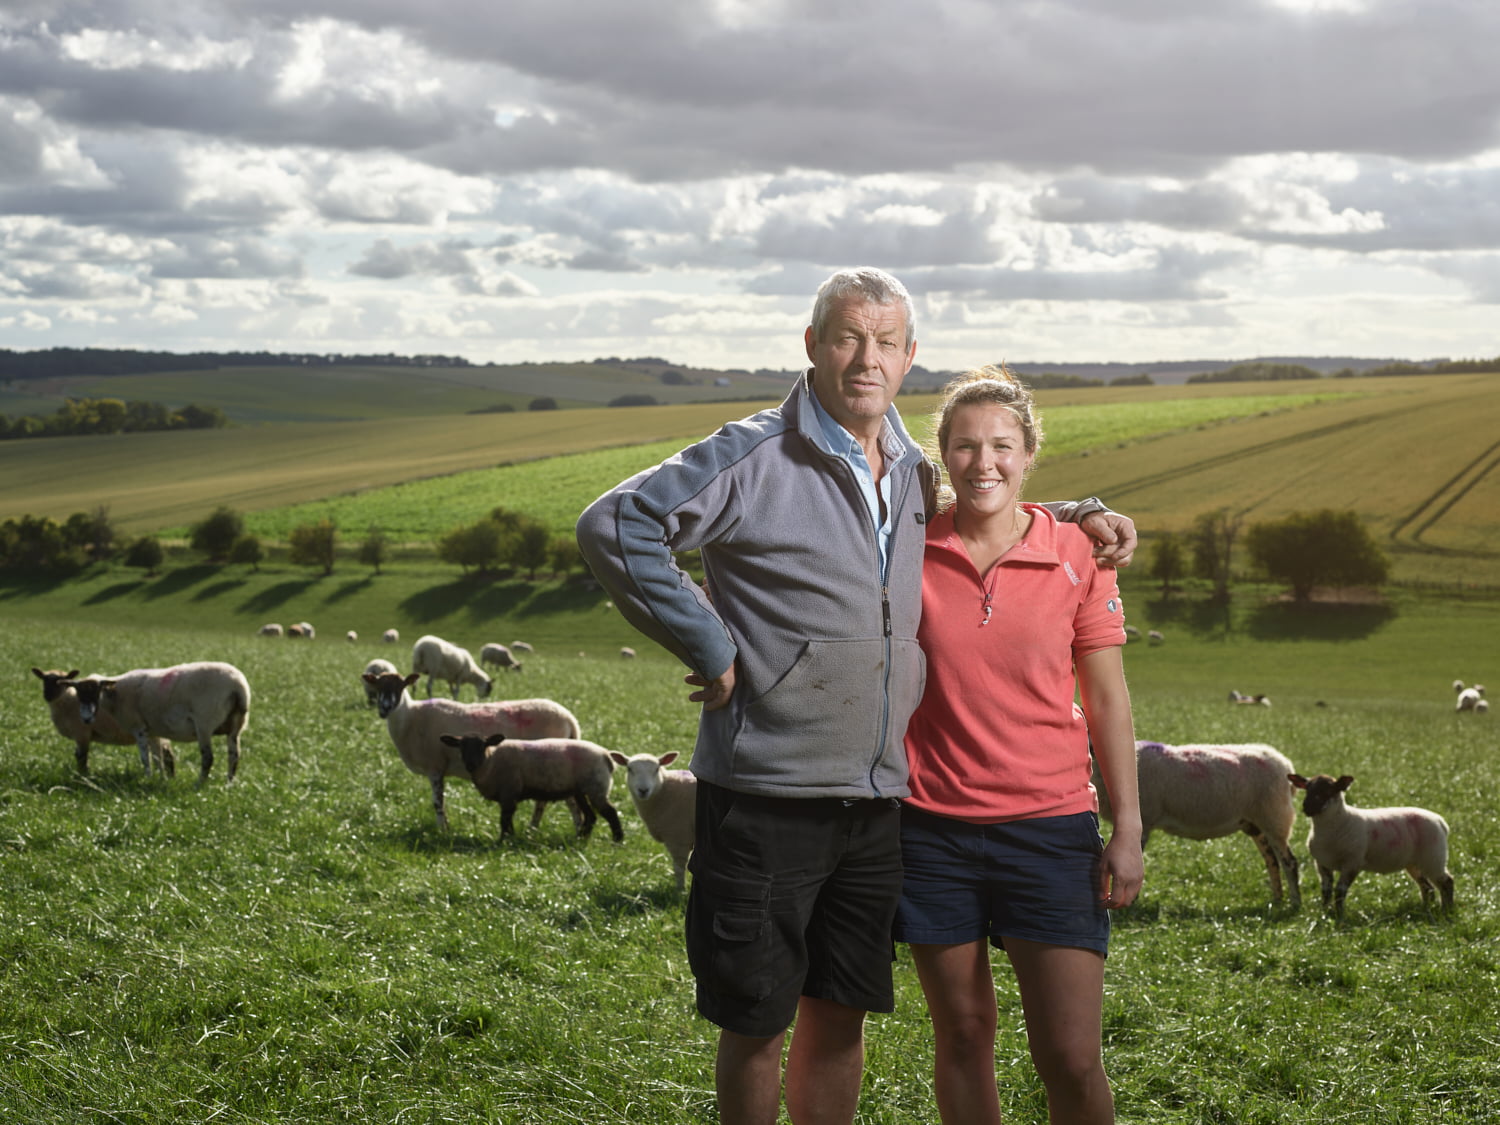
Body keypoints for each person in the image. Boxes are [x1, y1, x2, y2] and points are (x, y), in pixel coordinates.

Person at [575, 267, 1136, 1125]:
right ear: (813, 346)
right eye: (846, 337)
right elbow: (617, 522)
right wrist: (710, 643)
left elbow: (987, 502)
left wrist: (1084, 511)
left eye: (884, 342)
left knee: (837, 1020)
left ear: (909, 357)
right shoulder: (757, 452)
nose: (864, 358)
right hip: (767, 793)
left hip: (878, 805)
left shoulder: (911, 471)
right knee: (759, 1023)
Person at [894, 365, 1144, 1125]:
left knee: (1069, 1056)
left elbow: (1106, 697)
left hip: (1051, 828)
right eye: (965, 446)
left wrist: (1127, 826)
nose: (984, 462)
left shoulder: (1077, 552)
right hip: (930, 830)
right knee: (964, 1035)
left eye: (1002, 445)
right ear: (943, 456)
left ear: (1030, 451)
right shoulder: (906, 552)